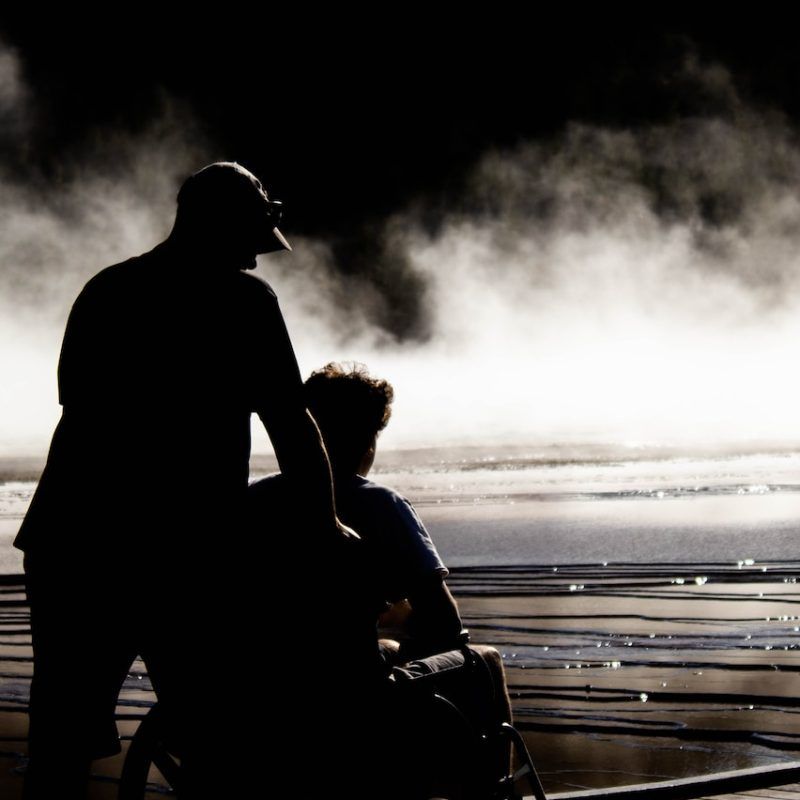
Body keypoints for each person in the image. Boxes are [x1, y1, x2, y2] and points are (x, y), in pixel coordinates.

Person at [16, 162, 353, 798]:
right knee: (211, 730)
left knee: (61, 736)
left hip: (71, 541)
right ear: (223, 228)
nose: (255, 261)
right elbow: (290, 422)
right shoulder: (242, 302)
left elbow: (81, 412)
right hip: (183, 550)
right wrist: (326, 524)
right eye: (250, 243)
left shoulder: (107, 289)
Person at [247, 362, 511, 798]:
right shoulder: (380, 505)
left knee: (385, 646)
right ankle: (492, 790)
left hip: (264, 683)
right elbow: (444, 620)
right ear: (369, 438)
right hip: (349, 693)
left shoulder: (255, 500)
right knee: (485, 660)